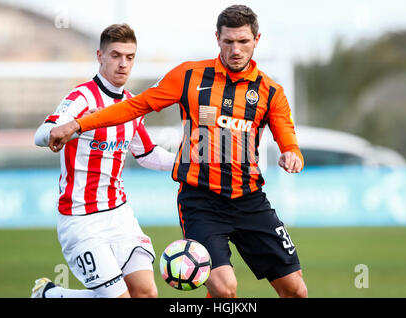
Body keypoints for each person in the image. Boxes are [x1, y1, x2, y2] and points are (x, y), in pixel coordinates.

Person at [47, 5, 308, 298]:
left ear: (256, 40)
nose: (236, 49)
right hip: (201, 201)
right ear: (217, 39)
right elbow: (134, 107)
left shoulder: (270, 92)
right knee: (224, 289)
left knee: (296, 290)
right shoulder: (189, 76)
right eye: (229, 41)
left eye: (243, 41)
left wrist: (291, 154)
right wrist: (79, 124)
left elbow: (287, 138)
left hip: (250, 201)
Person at [31, 24, 175, 298]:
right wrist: (74, 125)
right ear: (100, 56)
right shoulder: (81, 97)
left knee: (146, 294)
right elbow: (40, 135)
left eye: (130, 57)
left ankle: (50, 294)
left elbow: (146, 154)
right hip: (80, 219)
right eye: (115, 55)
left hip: (119, 215)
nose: (123, 64)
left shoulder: (132, 105)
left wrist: (188, 164)